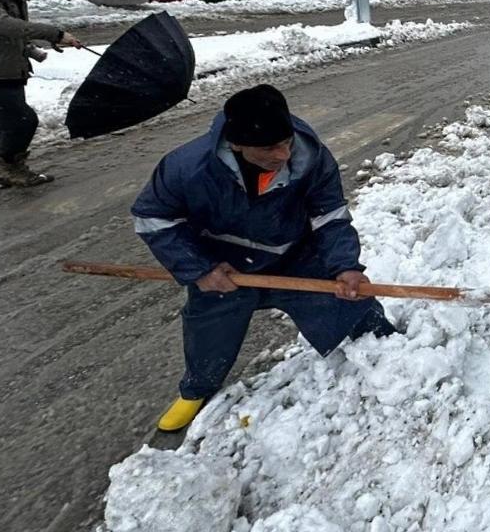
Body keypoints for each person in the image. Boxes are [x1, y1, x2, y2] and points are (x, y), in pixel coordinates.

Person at [131, 84, 396, 433]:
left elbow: (329, 215)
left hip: (294, 254)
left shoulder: (310, 157)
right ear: (237, 144)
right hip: (225, 266)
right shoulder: (186, 168)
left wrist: (345, 266)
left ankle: (393, 353)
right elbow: (154, 218)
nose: (284, 154)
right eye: (270, 148)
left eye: (286, 142)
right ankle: (197, 388)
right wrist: (200, 268)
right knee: (210, 326)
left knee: (349, 303)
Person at [0, 0, 81, 188]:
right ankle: (6, 166)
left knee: (6, 124)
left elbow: (8, 35)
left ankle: (7, 172)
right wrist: (55, 33)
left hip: (8, 71)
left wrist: (32, 51)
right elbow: (4, 25)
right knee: (23, 121)